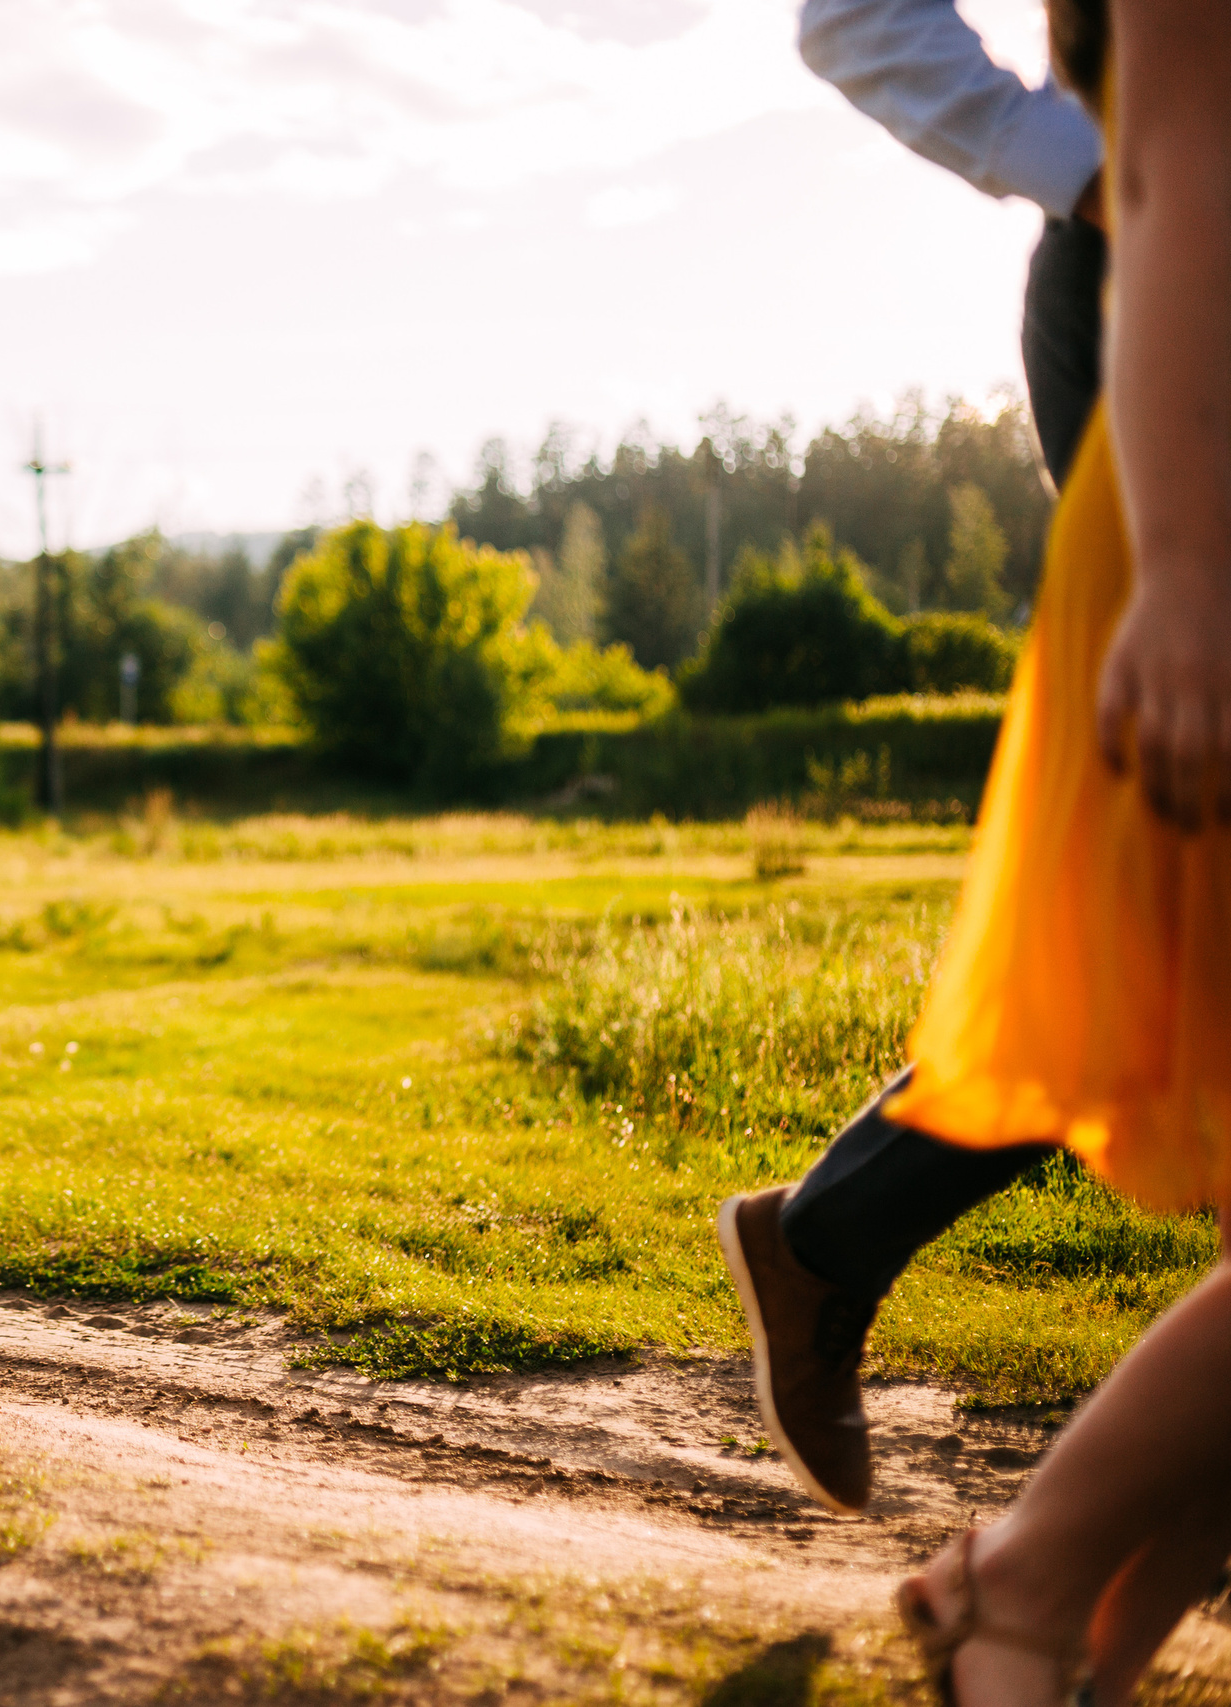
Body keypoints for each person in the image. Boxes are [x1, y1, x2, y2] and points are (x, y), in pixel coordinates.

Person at [715, 0, 1113, 1519]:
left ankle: (836, 1236)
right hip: (1165, 298)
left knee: (1172, 935)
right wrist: (1074, 158)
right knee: (1171, 918)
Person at [881, 0, 1231, 1697]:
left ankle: (1082, 1639)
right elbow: (1178, 169)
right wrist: (1186, 571)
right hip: (1211, 506)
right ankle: (1029, 1590)